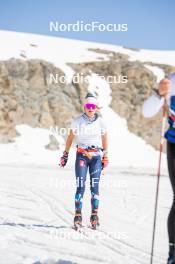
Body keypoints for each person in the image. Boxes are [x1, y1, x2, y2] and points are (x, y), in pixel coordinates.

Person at [60, 92, 109, 229]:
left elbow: (105, 138)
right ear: (84, 106)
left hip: (96, 158)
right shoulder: (77, 121)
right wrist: (65, 154)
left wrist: (105, 155)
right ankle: (78, 216)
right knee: (80, 186)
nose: (91, 108)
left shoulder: (101, 121)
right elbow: (70, 138)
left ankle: (94, 216)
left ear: (96, 107)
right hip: (81, 155)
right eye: (88, 105)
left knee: (94, 187)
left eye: (93, 106)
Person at [142, 75, 175, 264]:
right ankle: (174, 254)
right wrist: (158, 94)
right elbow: (147, 112)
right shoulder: (170, 81)